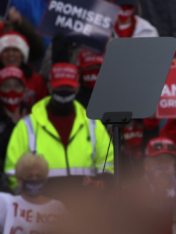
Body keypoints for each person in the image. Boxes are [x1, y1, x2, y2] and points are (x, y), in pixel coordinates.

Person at [4, 63, 114, 196]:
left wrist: (102, 183)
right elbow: (11, 170)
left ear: (77, 88)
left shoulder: (92, 124)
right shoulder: (27, 125)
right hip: (41, 209)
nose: (63, 91)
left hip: (84, 206)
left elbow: (108, 162)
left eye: (68, 87)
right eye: (59, 87)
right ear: (49, 87)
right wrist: (27, 200)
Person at [0, 153, 66, 234]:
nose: (34, 180)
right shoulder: (7, 203)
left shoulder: (58, 208)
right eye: (29, 176)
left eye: (38, 176)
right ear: (19, 180)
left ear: (45, 180)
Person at [0, 31, 46, 106]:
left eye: (15, 50)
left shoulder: (36, 79)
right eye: (6, 50)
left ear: (23, 55)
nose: (11, 54)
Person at [0, 65, 29, 174]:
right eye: (6, 86)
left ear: (24, 90)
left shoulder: (34, 113)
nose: (12, 90)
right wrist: (12, 125)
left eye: (17, 86)